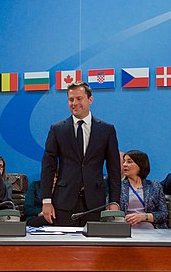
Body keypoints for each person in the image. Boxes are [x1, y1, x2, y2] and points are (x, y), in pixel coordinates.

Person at [41, 81, 121, 226]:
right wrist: (46, 201)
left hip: (95, 202)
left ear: (90, 100)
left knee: (94, 247)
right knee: (65, 246)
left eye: (79, 98)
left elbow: (114, 169)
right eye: (71, 99)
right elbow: (48, 166)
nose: (74, 103)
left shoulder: (107, 130)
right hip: (64, 202)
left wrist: (114, 202)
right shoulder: (57, 129)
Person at [119, 150, 167, 229]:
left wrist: (142, 217)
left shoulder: (155, 186)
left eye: (129, 162)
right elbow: (111, 213)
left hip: (151, 229)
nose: (124, 165)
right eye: (124, 162)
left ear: (140, 164)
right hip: (125, 228)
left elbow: (163, 214)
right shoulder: (118, 187)